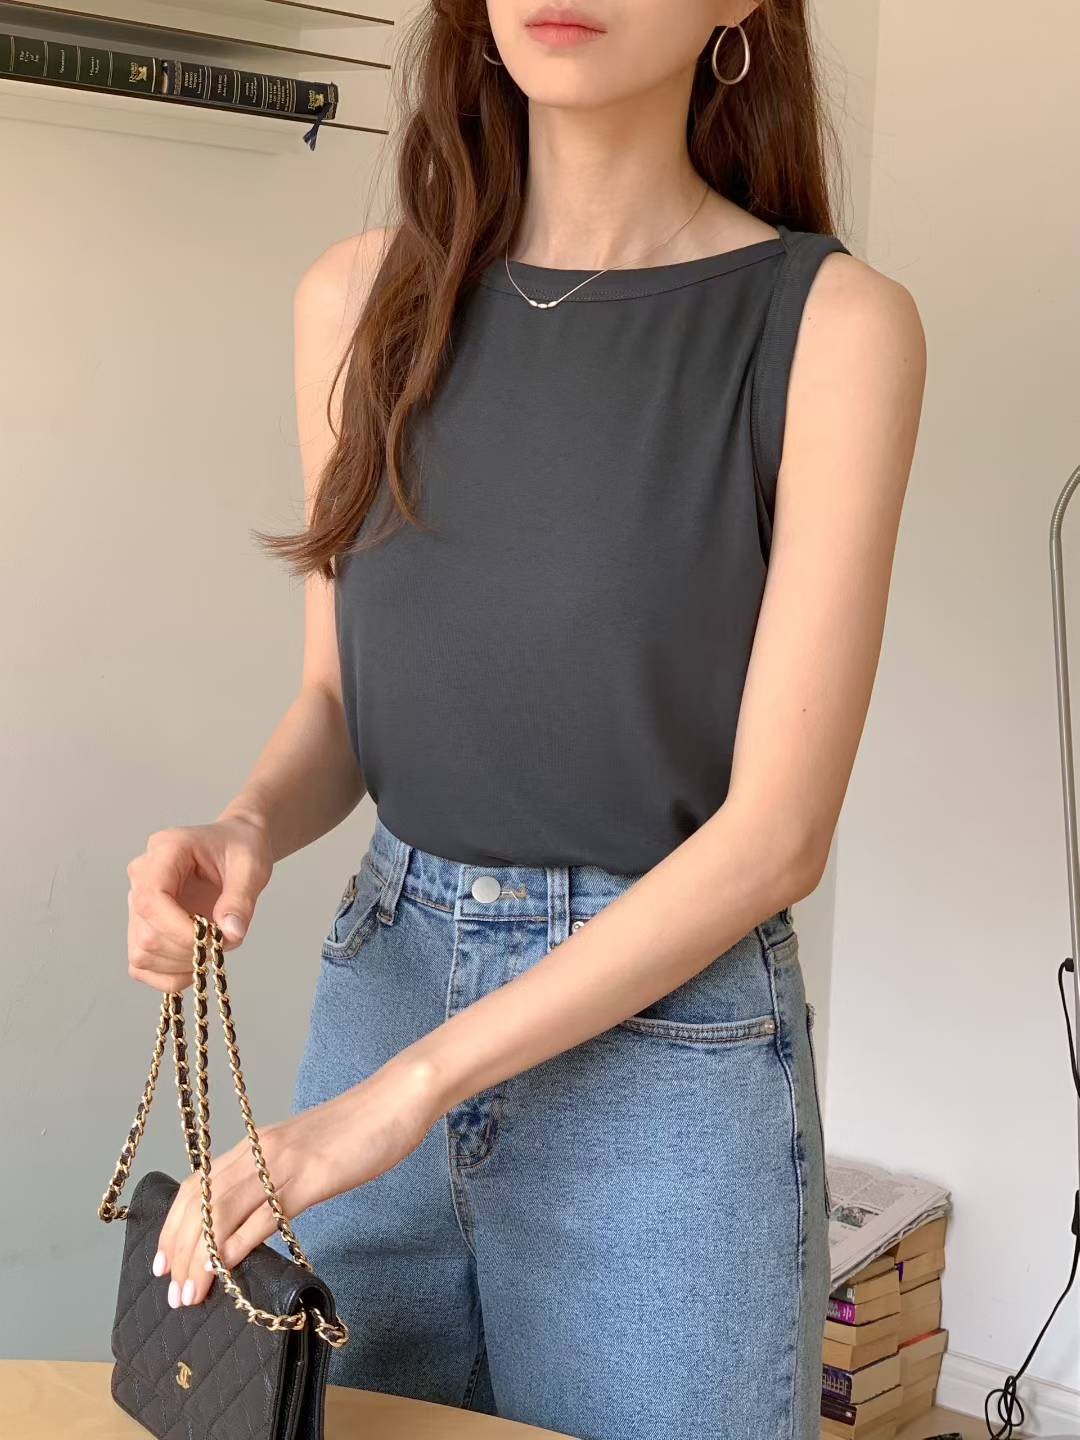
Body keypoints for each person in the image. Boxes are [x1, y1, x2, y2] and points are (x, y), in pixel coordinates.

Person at [124, 2, 926, 1436]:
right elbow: (339, 701)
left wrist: (408, 1095)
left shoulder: (831, 328)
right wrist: (247, 824)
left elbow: (776, 837)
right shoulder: (356, 303)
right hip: (387, 979)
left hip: (667, 1055)